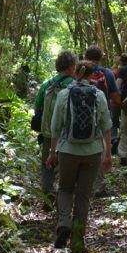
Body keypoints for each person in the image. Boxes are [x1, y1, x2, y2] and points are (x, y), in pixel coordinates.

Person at [46, 60, 112, 253]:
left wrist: (52, 153)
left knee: (65, 189)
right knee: (83, 196)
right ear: (92, 75)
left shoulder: (64, 94)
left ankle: (64, 223)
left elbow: (55, 127)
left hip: (68, 150)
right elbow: (106, 126)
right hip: (93, 152)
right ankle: (77, 240)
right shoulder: (98, 95)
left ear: (75, 73)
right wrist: (107, 154)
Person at [32, 50, 76, 208]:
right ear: (71, 67)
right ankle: (63, 197)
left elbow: (37, 108)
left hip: (48, 132)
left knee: (47, 164)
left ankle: (48, 195)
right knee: (65, 166)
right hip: (68, 133)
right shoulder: (73, 85)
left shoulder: (46, 84)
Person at [84, 45, 120, 197]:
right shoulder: (107, 73)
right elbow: (115, 98)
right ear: (101, 58)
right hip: (100, 114)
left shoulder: (80, 71)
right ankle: (99, 185)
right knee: (99, 147)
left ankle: (83, 180)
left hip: (81, 114)